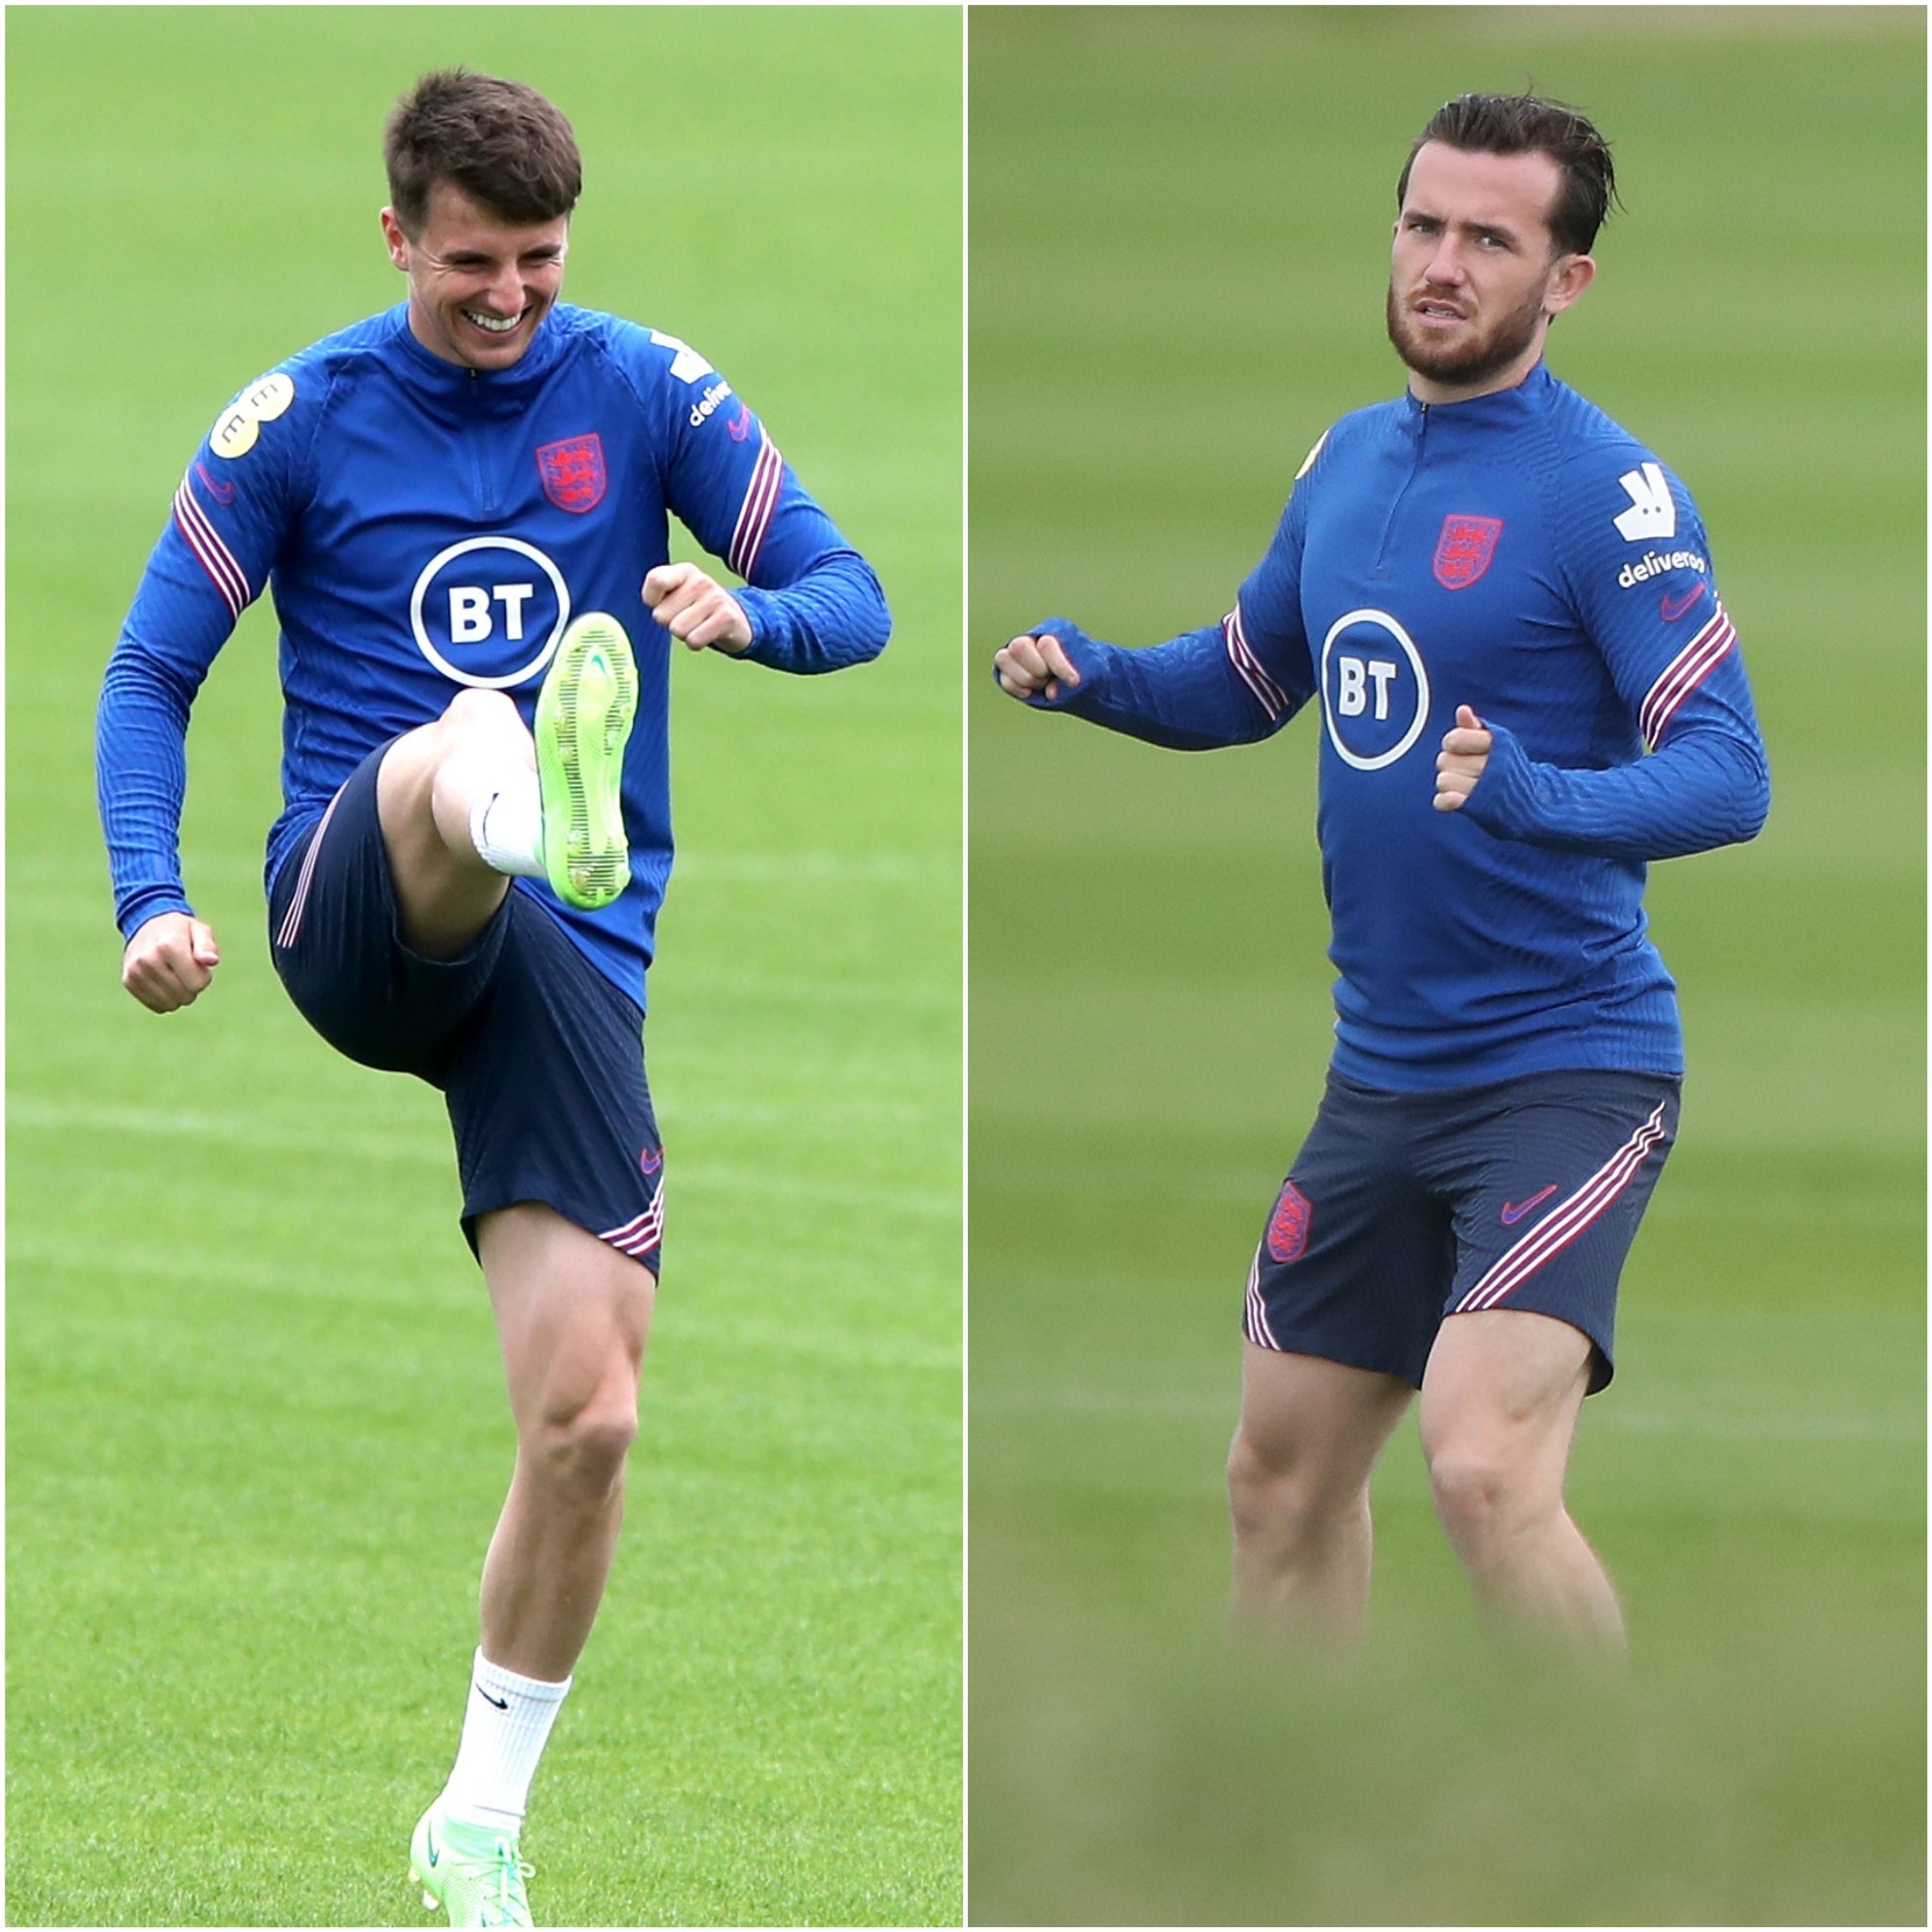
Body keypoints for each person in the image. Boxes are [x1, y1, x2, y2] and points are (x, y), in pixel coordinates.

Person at [98, 69, 889, 1927]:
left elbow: (853, 591)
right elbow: (152, 671)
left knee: (588, 1420)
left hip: (566, 960)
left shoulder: (646, 389)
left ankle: (473, 1830)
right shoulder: (298, 419)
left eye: (537, 258)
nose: (510, 293)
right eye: (472, 262)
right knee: (458, 741)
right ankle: (526, 788)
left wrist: (742, 615)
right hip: (354, 895)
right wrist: (153, 898)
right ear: (397, 238)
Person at [993, 93, 1768, 1657]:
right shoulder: (1348, 457)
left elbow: (1729, 772)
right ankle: (1294, 1858)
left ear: (1566, 282)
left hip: (1569, 1068)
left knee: (1481, 1467)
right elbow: (1251, 677)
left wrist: (1535, 789)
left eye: (1493, 238)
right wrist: (1100, 678)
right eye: (1424, 225)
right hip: (1381, 1077)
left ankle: (1630, 1856)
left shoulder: (1603, 496)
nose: (1443, 262)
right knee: (1276, 1487)